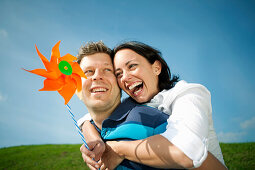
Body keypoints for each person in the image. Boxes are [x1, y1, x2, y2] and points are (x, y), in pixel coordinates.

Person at [79, 41, 227, 170]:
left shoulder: (188, 94)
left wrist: (118, 149)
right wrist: (92, 135)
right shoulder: (134, 105)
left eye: (132, 66)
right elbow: (91, 116)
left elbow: (186, 150)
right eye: (119, 73)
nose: (125, 77)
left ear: (156, 68)